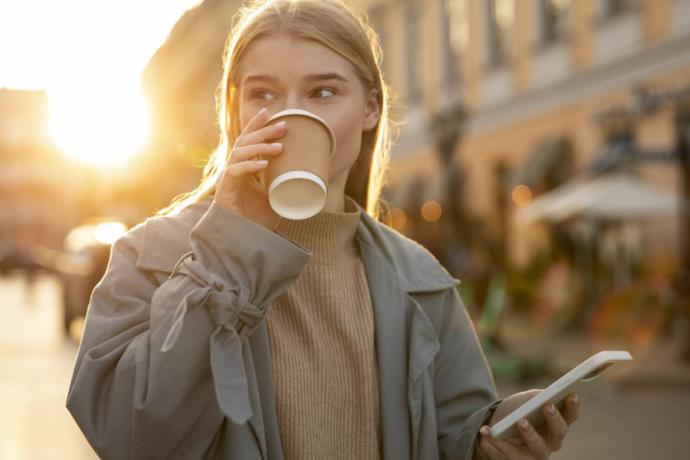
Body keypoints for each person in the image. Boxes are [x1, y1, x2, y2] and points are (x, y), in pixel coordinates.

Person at [66, 1, 579, 459]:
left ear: (369, 109)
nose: (290, 117)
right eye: (263, 93)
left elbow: (448, 433)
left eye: (323, 91)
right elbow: (130, 438)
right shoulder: (151, 254)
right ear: (235, 111)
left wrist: (489, 438)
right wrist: (231, 249)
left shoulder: (417, 277)